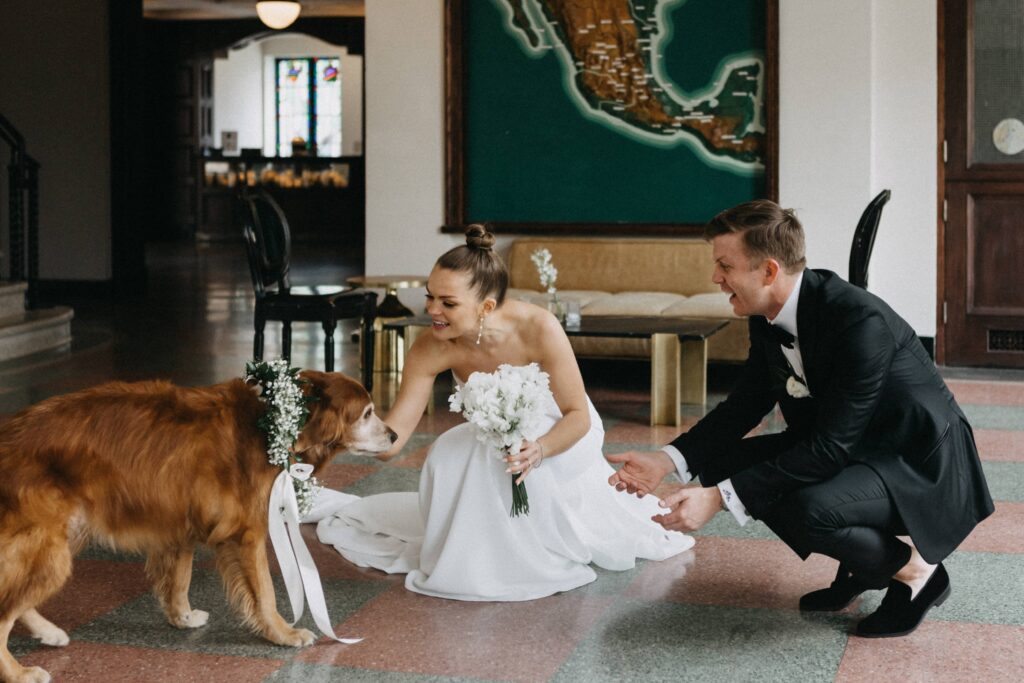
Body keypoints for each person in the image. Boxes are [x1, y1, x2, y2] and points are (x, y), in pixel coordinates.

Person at [608, 200, 993, 637]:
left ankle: (917, 573)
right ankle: (863, 567)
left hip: (914, 461)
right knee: (727, 465)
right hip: (854, 445)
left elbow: (829, 450)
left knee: (809, 509)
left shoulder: (857, 319)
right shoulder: (766, 315)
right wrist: (667, 460)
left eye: (725, 265)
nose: (716, 277)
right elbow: (744, 406)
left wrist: (718, 499)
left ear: (768, 271)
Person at [311, 225, 693, 601]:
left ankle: (534, 547)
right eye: (430, 297)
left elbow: (579, 415)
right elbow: (393, 442)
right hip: (490, 435)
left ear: (486, 306)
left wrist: (540, 449)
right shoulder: (431, 347)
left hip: (559, 433)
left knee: (499, 457)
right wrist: (335, 433)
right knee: (451, 454)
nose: (431, 310)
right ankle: (478, 554)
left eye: (448, 303)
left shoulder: (539, 327)